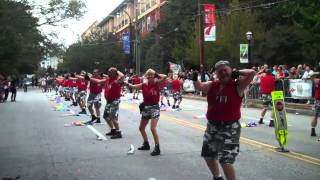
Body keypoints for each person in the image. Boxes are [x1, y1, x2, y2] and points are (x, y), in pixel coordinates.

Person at [193, 60, 255, 180]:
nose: (223, 73)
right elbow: (199, 86)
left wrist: (238, 72)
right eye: (220, 71)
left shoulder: (238, 85)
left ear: (231, 71)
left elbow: (252, 73)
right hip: (212, 126)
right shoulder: (212, 85)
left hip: (230, 128)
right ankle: (217, 177)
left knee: (225, 161)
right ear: (216, 73)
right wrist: (195, 79)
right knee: (208, 155)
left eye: (225, 70)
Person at [126, 69, 167, 156]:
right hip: (146, 108)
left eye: (151, 75)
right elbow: (133, 86)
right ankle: (146, 144)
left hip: (154, 108)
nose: (149, 77)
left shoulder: (157, 83)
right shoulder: (143, 85)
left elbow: (165, 76)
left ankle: (157, 147)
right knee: (141, 128)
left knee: (153, 128)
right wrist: (126, 84)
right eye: (148, 75)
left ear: (154, 76)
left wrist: (156, 73)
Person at [90, 68, 125, 139]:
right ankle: (113, 130)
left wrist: (117, 71)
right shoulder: (107, 80)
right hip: (109, 101)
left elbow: (122, 76)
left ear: (115, 74)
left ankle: (119, 132)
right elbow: (98, 81)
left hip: (114, 101)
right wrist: (89, 78)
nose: (108, 73)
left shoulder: (117, 81)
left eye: (110, 72)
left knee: (113, 117)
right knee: (106, 116)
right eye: (108, 72)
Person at [310, 69, 320, 136]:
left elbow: (311, 76)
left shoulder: (317, 81)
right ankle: (313, 130)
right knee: (315, 116)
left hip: (318, 100)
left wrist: (316, 72)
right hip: (318, 100)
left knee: (315, 115)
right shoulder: (318, 81)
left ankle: (313, 130)